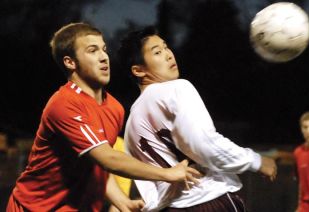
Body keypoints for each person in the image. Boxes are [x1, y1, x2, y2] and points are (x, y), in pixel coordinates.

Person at [6, 23, 201, 212]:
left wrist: (123, 202)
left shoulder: (115, 108)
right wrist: (167, 174)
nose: (103, 57)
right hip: (33, 208)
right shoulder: (63, 104)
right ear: (70, 62)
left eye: (104, 49)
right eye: (92, 50)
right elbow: (107, 158)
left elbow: (96, 166)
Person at [118, 26, 278, 211]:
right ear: (138, 70)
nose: (169, 54)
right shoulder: (177, 88)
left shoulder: (131, 125)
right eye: (157, 52)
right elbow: (203, 144)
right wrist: (255, 161)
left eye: (166, 47)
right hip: (207, 201)